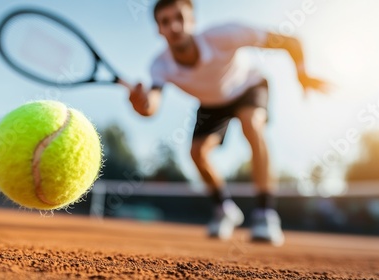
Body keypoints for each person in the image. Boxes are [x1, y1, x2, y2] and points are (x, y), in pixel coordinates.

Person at [128, 0, 326, 246]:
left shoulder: (225, 34)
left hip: (247, 87)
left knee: (251, 125)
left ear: (192, 21)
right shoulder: (159, 65)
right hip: (212, 103)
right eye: (165, 22)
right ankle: (225, 209)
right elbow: (151, 105)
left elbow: (290, 42)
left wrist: (302, 73)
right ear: (159, 30)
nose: (174, 26)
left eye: (179, 17)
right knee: (197, 153)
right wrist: (140, 104)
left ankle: (265, 214)